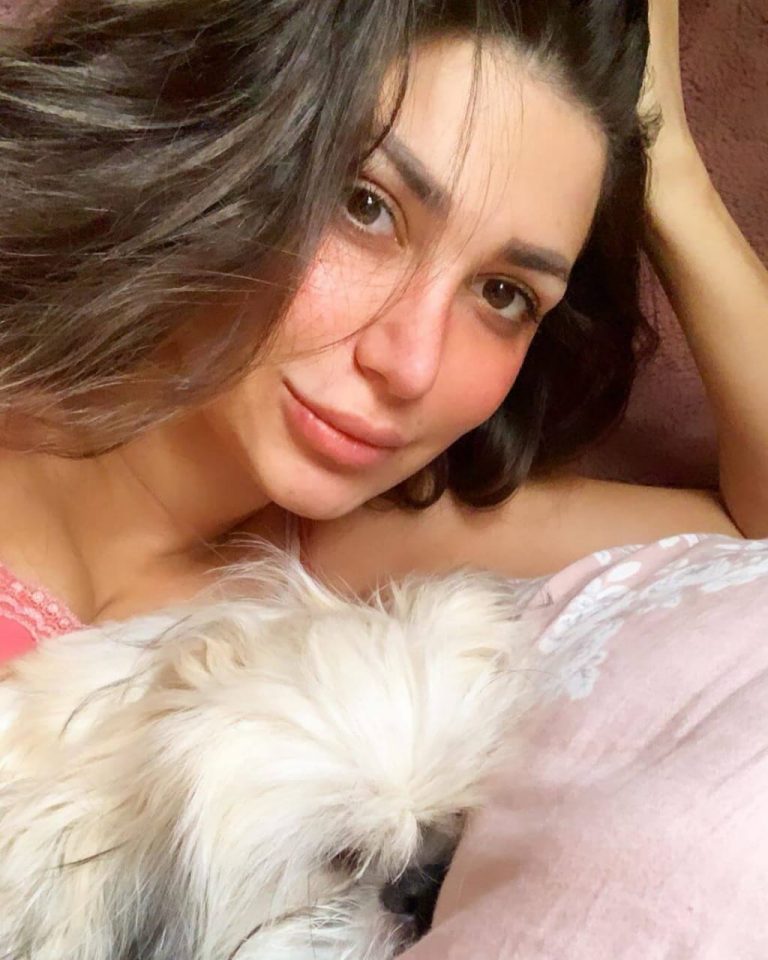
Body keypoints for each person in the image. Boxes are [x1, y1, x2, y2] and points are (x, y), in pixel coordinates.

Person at [0, 0, 765, 648]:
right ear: (225, 130)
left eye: (503, 294)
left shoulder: (357, 552)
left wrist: (671, 171)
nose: (411, 365)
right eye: (366, 207)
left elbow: (753, 543)